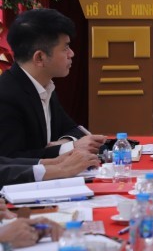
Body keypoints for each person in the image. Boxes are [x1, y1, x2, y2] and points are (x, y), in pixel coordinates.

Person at [0, 9, 106, 159]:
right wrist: (68, 148)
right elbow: (9, 160)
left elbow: (74, 129)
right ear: (40, 57)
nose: (72, 54)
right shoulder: (6, 96)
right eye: (65, 48)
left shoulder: (45, 85)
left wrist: (65, 142)